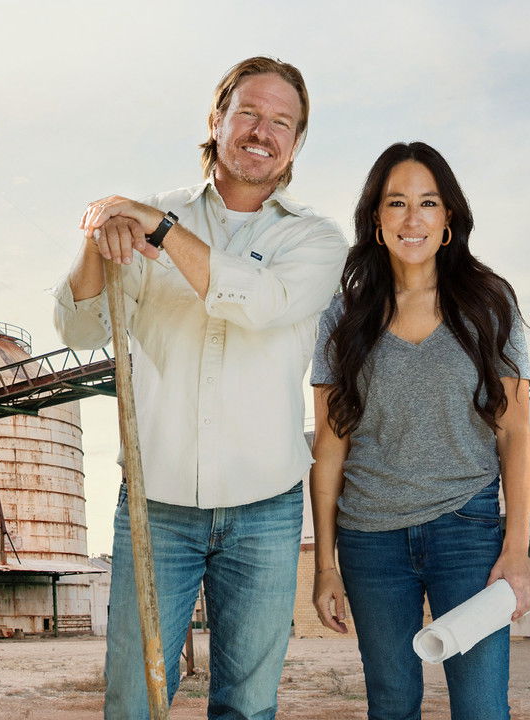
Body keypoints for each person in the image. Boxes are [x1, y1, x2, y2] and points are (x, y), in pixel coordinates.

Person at [53, 57, 347, 719]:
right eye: (247, 112)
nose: (261, 131)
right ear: (215, 122)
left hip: (266, 509)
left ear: (296, 143)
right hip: (155, 504)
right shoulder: (150, 217)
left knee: (246, 705)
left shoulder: (315, 240)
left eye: (282, 122)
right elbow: (78, 328)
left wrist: (158, 230)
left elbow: (259, 303)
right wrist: (98, 240)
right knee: (134, 700)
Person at [309, 141, 530, 720]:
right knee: (391, 705)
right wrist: (325, 564)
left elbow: (515, 436)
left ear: (449, 220)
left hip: (469, 530)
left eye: (428, 202)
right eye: (396, 203)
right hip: (370, 541)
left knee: (483, 706)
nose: (413, 218)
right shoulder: (342, 317)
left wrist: (516, 549)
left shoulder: (490, 304)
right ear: (377, 220)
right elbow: (329, 449)